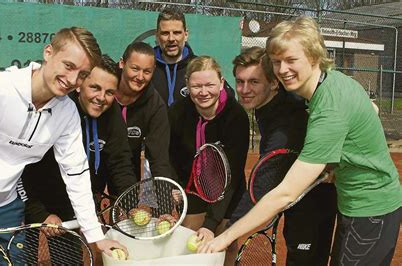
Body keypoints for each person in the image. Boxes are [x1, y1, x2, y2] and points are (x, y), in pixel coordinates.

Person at [199, 16, 401, 266]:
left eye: (291, 60)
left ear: (314, 56)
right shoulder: (329, 81)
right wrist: (338, 162)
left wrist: (226, 235)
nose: (283, 69)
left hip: (371, 210)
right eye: (276, 62)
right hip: (356, 204)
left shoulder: (328, 110)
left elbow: (285, 193)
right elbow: (371, 109)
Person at [0, 27, 126, 264]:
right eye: (68, 66)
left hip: (7, 208)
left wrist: (95, 236)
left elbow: (76, 172)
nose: (73, 80)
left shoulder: (67, 113)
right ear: (48, 52)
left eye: (83, 74)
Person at [224, 46, 337, 265]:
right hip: (303, 190)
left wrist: (228, 231)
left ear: (274, 83)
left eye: (254, 82)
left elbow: (262, 184)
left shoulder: (285, 126)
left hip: (317, 196)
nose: (244, 89)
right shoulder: (271, 104)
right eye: (240, 81)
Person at [19, 55, 137, 227]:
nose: (101, 97)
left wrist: (132, 205)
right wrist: (39, 213)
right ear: (79, 86)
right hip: (31, 197)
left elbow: (120, 163)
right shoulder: (56, 108)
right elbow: (22, 166)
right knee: (23, 253)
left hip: (70, 200)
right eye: (95, 88)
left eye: (109, 92)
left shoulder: (111, 112)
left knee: (69, 254)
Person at [168, 55, 249, 243]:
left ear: (221, 83)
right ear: (187, 85)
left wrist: (211, 223)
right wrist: (173, 185)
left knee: (224, 245)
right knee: (190, 242)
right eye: (196, 86)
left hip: (228, 190)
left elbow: (233, 172)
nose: (203, 92)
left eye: (210, 85)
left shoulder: (236, 116)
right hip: (192, 187)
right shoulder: (177, 112)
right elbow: (169, 155)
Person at [152, 8, 234, 107]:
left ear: (186, 35)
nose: (171, 39)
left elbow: (229, 99)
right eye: (165, 33)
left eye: (177, 33)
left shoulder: (199, 66)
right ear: (157, 36)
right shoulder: (146, 66)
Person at [115, 41, 172, 180]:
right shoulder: (104, 90)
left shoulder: (156, 106)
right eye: (135, 68)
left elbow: (159, 158)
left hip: (127, 170)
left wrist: (165, 192)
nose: (140, 77)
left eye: (147, 71)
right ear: (122, 63)